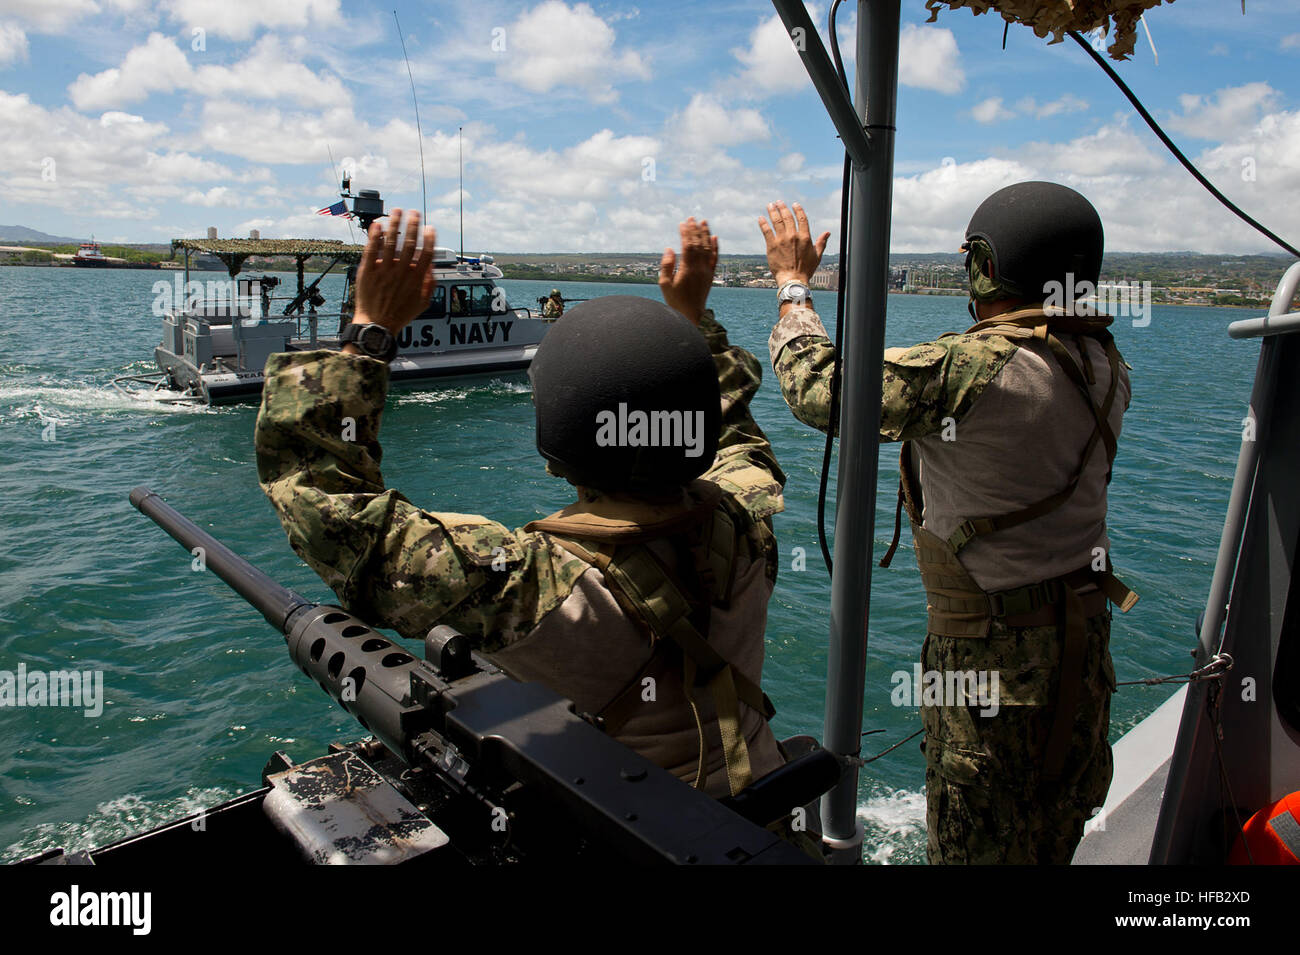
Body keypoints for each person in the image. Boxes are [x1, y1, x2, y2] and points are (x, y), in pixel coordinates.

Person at [254, 209, 793, 804]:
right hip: (763, 813)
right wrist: (693, 324)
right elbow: (739, 439)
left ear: (558, 445)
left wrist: (367, 333)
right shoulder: (748, 522)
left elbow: (323, 502)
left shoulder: (534, 587)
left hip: (640, 836)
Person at [759, 185, 1137, 864]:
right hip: (1081, 654)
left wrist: (793, 287)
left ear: (985, 266)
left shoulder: (978, 369)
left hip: (990, 665)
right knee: (1050, 836)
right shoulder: (1106, 365)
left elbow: (818, 388)